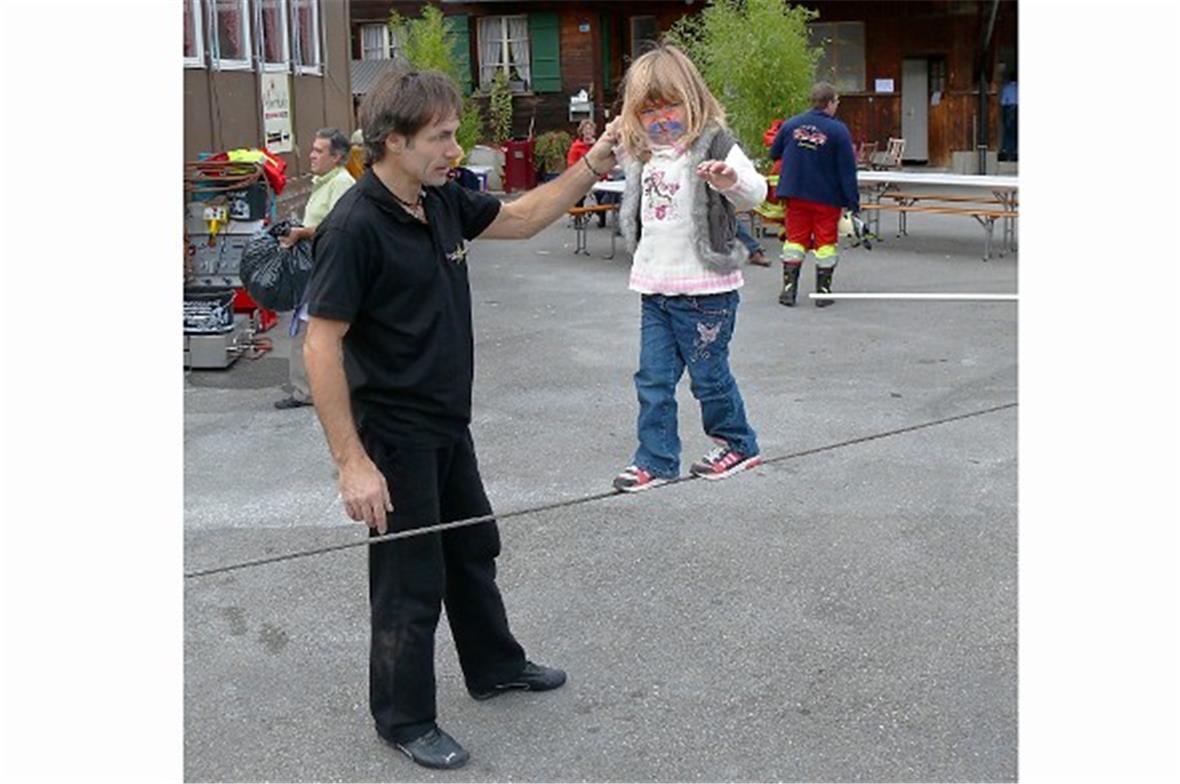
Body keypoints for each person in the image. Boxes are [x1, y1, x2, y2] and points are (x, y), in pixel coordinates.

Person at [302, 68, 622, 771]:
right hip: (393, 436)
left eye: (454, 136)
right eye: (441, 137)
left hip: (449, 424)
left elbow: (524, 217)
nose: (455, 150)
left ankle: (494, 666)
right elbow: (320, 341)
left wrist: (595, 162)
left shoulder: (439, 199)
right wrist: (352, 462)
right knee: (409, 582)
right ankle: (403, 718)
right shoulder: (354, 227)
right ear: (393, 141)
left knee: (472, 552)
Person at [611, 44, 765, 493]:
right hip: (655, 291)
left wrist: (729, 180)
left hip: (706, 292)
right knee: (652, 380)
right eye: (648, 110)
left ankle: (739, 443)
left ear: (694, 100)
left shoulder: (714, 144)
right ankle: (656, 460)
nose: (661, 118)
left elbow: (756, 193)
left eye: (670, 105)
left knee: (708, 377)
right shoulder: (645, 155)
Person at [273, 127, 355, 409]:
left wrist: (301, 233)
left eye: (319, 151)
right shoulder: (325, 181)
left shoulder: (341, 183)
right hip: (315, 267)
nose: (311, 155)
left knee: (313, 330)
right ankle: (308, 389)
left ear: (337, 157)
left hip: (327, 269)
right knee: (306, 328)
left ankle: (311, 391)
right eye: (313, 149)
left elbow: (336, 227)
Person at [768, 82, 860, 307]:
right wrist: (853, 203)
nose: (837, 105)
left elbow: (774, 153)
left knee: (794, 241)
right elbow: (847, 171)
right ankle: (823, 292)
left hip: (795, 194)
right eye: (837, 101)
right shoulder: (838, 130)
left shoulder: (791, 125)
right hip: (826, 197)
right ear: (829, 103)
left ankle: (788, 291)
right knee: (825, 243)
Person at [566, 119, 614, 227]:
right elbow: (571, 164)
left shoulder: (599, 145)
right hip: (582, 177)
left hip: (597, 177)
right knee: (578, 193)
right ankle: (578, 218)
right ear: (581, 131)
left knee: (602, 194)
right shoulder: (576, 146)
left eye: (590, 129)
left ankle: (601, 218)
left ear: (594, 132)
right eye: (585, 129)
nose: (588, 132)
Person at [999, 71, 1017, 162]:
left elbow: (1003, 102)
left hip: (1009, 109)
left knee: (1008, 131)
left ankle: (1006, 151)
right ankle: (1015, 151)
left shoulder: (1007, 88)